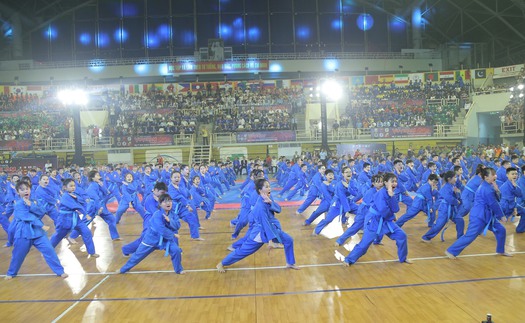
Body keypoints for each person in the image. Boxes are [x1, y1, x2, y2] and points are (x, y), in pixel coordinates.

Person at [217, 179, 299, 273]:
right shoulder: (260, 205)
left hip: (272, 229)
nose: (269, 188)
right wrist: (270, 241)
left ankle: (290, 262)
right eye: (266, 186)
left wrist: (270, 202)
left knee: (289, 240)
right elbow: (265, 223)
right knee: (243, 251)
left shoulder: (268, 198)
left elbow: (279, 210)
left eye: (269, 186)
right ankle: (222, 263)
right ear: (260, 190)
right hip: (260, 232)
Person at [343, 172, 411, 266]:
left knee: (401, 235)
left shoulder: (391, 193)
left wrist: (391, 196)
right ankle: (349, 259)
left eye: (395, 181)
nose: (394, 184)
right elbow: (383, 210)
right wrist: (392, 215)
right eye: (392, 182)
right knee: (365, 244)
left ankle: (403, 258)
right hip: (374, 221)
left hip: (385, 221)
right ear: (386, 182)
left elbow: (396, 209)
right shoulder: (380, 194)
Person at [5, 181, 68, 279]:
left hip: (38, 233)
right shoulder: (18, 204)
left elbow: (42, 211)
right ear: (18, 192)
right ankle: (11, 273)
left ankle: (60, 271)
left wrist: (31, 205)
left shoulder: (35, 201)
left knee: (49, 250)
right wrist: (40, 224)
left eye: (27, 189)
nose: (26, 191)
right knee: (18, 255)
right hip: (24, 233)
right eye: (22, 190)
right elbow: (26, 216)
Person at [446, 168, 513, 259]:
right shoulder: (486, 188)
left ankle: (500, 250)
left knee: (501, 230)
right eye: (492, 174)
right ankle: (451, 251)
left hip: (487, 215)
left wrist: (497, 190)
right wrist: (502, 216)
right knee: (470, 236)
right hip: (479, 216)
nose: (495, 176)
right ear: (486, 177)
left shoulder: (490, 186)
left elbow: (496, 199)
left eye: (495, 174)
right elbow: (493, 203)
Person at [119, 194, 184, 274]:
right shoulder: (157, 214)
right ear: (160, 204)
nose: (168, 203)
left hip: (165, 240)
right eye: (165, 201)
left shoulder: (173, 215)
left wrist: (170, 221)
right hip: (151, 239)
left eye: (170, 201)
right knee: (137, 256)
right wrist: (172, 234)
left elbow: (177, 226)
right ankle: (123, 269)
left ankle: (179, 270)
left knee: (176, 250)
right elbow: (160, 228)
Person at [49, 178, 99, 258]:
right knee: (58, 236)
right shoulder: (65, 196)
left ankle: (92, 252)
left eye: (74, 186)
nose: (73, 187)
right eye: (71, 186)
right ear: (65, 187)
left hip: (75, 219)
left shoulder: (74, 195)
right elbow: (76, 206)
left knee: (86, 232)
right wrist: (86, 214)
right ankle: (47, 251)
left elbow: (82, 203)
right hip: (65, 220)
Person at [421, 171, 463, 242]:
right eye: (454, 177)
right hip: (444, 208)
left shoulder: (452, 186)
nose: (456, 179)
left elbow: (456, 195)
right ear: (449, 179)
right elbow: (448, 198)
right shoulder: (446, 187)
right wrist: (456, 201)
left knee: (460, 220)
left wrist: (456, 193)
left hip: (452, 208)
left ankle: (460, 236)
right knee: (439, 225)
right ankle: (426, 237)